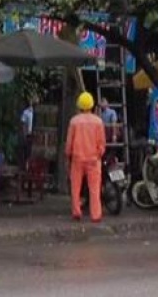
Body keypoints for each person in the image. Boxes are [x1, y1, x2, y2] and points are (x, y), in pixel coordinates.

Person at [65, 92, 106, 223]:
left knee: (75, 188)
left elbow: (69, 142)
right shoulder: (98, 122)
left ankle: (76, 211)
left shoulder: (74, 121)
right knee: (94, 189)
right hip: (93, 160)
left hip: (77, 159)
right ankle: (96, 215)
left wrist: (68, 155)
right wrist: (98, 154)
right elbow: (102, 143)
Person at [18, 97, 38, 170]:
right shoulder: (26, 112)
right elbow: (23, 123)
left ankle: (29, 165)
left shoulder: (35, 113)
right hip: (27, 134)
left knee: (30, 150)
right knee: (25, 149)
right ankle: (24, 165)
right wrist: (24, 132)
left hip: (32, 133)